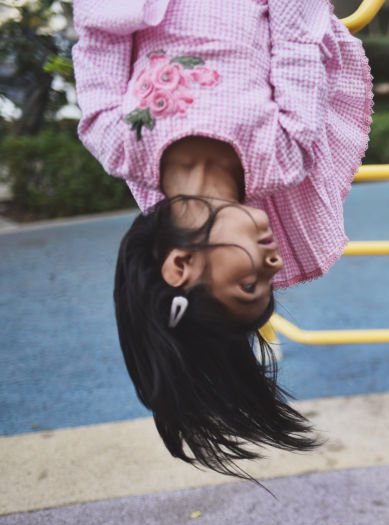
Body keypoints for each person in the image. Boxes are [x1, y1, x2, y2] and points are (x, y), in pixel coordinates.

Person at [71, 0, 373, 477]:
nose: (275, 266)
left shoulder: (115, 141)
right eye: (270, 283)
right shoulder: (283, 152)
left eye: (248, 285)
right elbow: (297, 40)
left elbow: (102, 32)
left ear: (180, 267)